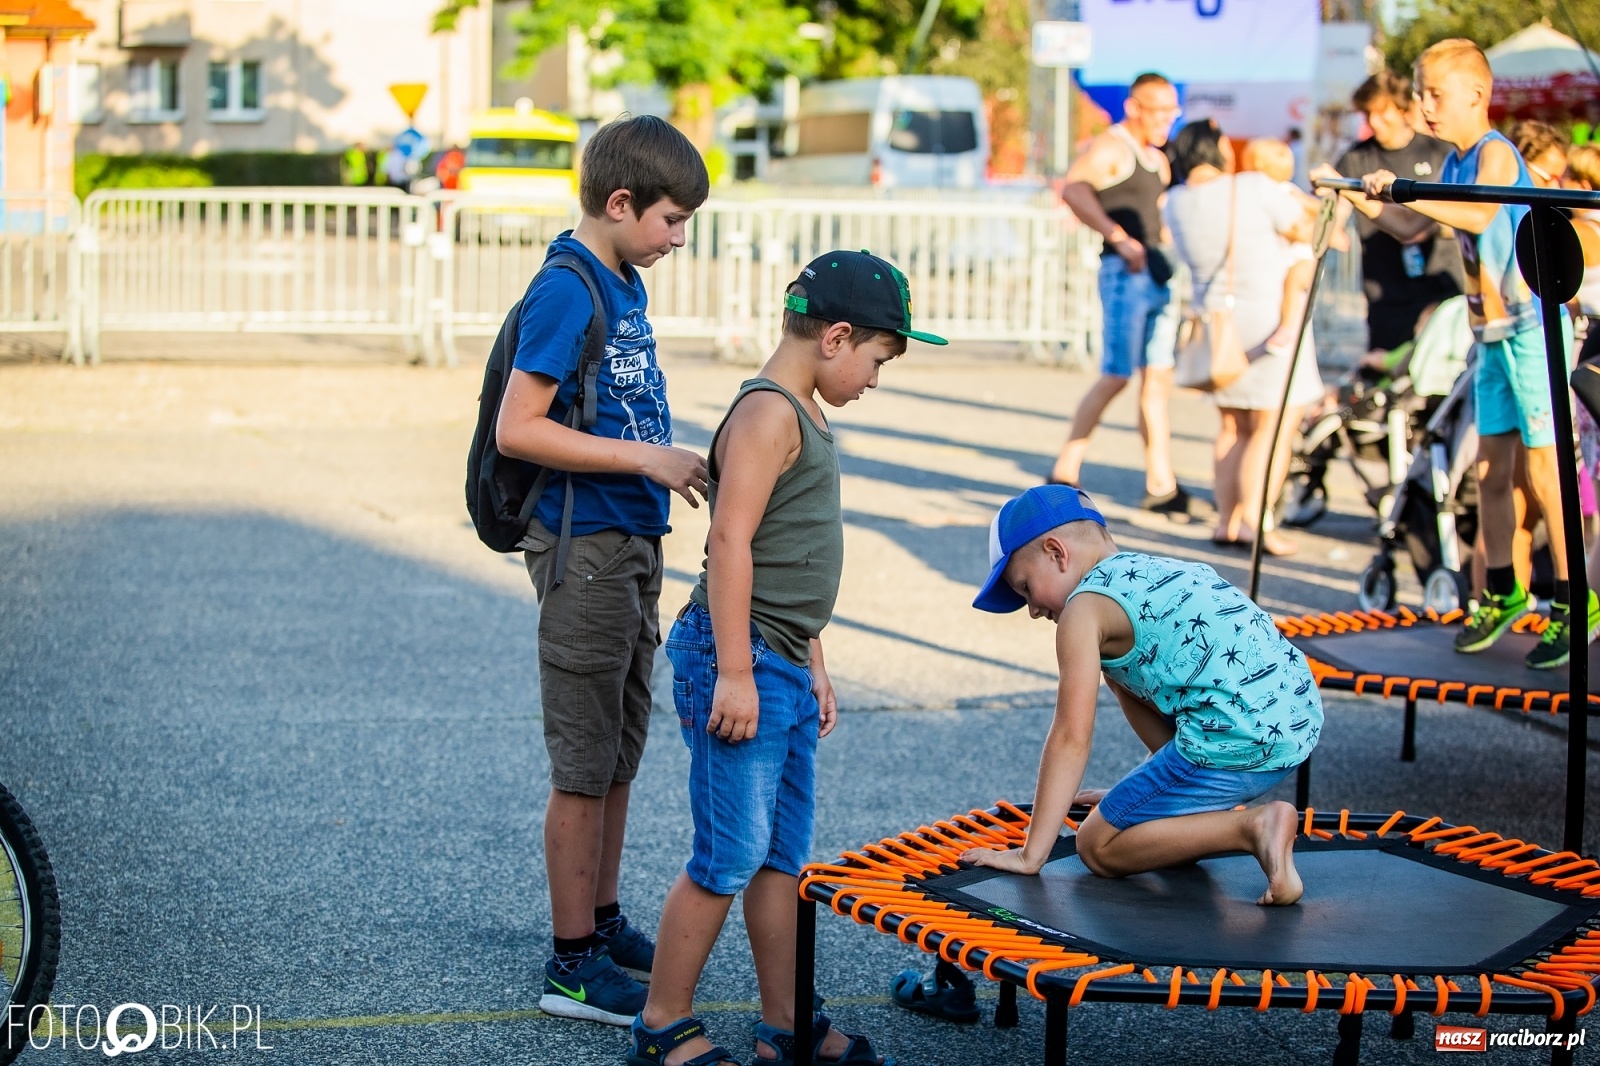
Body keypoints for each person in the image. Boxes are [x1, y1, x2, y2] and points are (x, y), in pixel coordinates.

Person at [631, 250, 943, 1066]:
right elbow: (729, 542)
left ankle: (790, 1025)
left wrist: (813, 656)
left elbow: (785, 555)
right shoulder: (771, 414)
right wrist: (736, 670)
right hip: (740, 659)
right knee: (728, 854)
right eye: (877, 359)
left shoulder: (803, 409)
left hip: (780, 657)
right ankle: (661, 1024)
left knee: (780, 859)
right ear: (837, 338)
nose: (876, 378)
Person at [493, 115, 711, 1026]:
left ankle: (603, 918)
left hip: (629, 544)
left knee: (620, 751)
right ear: (619, 203)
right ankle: (572, 962)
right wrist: (649, 460)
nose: (678, 238)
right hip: (585, 551)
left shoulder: (623, 281)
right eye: (669, 219)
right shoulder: (569, 290)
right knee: (584, 763)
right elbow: (520, 427)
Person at [1350, 39, 1597, 669]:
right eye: (1419, 94)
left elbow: (1481, 218)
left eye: (1434, 94)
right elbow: (1412, 226)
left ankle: (1577, 601)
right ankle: (1504, 591)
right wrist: (1359, 195)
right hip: (1488, 336)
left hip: (1530, 330)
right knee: (1488, 471)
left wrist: (1403, 191)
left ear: (1476, 95)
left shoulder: (1492, 153)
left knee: (1545, 474)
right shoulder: (1456, 162)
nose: (1424, 107)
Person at [957, 484, 1322, 905]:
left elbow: (1070, 737)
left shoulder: (1083, 612)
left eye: (1024, 589)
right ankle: (1192, 815)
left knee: (1097, 846)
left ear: (1057, 553)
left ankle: (1254, 828)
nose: (1033, 610)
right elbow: (1170, 709)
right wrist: (1137, 793)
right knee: (1121, 675)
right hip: (1294, 717)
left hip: (1235, 740)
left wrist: (1030, 854)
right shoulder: (1153, 572)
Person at [1164, 120, 1325, 557]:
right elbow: (1306, 227)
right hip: (1267, 317)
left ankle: (1225, 520)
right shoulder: (1252, 188)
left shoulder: (1175, 201)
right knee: (1270, 429)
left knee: (1231, 426)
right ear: (1214, 149)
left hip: (1217, 326)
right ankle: (1257, 521)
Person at [1049, 72, 1190, 518]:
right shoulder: (1113, 146)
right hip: (1124, 273)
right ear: (1134, 108)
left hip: (1156, 274)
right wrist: (1118, 236)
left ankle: (1160, 481)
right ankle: (1065, 468)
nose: (1167, 120)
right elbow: (1073, 188)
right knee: (1117, 374)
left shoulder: (1156, 157)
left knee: (1157, 381)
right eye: (1159, 111)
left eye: (1172, 111)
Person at [1334, 72, 1462, 352]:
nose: (1374, 122)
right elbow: (1333, 219)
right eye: (1368, 115)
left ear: (1403, 110)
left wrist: (1434, 226)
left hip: (1440, 287)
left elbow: (1464, 218)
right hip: (1385, 293)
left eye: (1382, 113)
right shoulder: (1355, 158)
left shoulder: (1439, 152)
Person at [1244, 138, 1317, 358]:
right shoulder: (1263, 191)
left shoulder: (1285, 192)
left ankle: (1286, 329)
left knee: (1293, 284)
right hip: (1280, 257)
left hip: (1298, 257)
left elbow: (1305, 219)